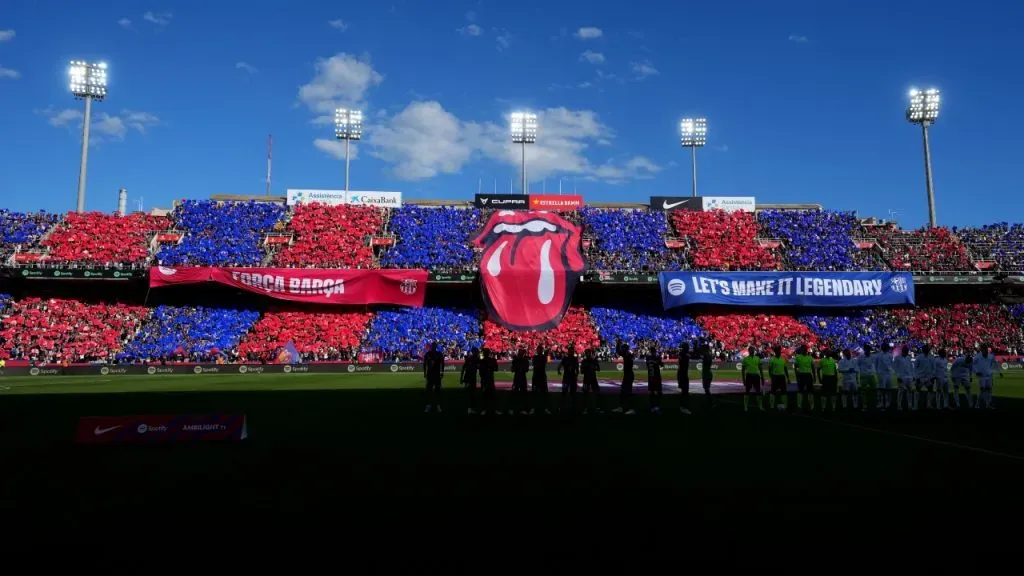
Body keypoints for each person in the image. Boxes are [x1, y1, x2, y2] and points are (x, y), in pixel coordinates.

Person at [614, 343, 636, 415]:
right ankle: (622, 407)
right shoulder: (627, 354)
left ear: (625, 349)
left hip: (628, 375)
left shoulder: (628, 354)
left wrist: (618, 343)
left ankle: (630, 408)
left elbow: (618, 352)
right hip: (627, 375)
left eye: (623, 348)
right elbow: (619, 352)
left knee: (628, 392)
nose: (622, 349)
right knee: (623, 392)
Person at [740, 346, 764, 412]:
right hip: (749, 376)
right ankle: (745, 406)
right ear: (749, 351)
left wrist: (762, 378)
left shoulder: (757, 358)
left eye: (753, 350)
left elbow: (760, 369)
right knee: (747, 392)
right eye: (751, 350)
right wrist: (743, 380)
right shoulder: (745, 359)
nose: (752, 351)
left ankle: (760, 406)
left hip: (756, 376)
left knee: (758, 392)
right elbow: (743, 370)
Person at [423, 342, 445, 413]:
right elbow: (424, 364)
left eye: (434, 346)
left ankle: (438, 405)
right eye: (432, 346)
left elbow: (443, 363)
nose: (433, 347)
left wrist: (442, 372)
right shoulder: (428, 354)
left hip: (437, 374)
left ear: (436, 346)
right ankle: (428, 405)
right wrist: (424, 373)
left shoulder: (439, 354)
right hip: (429, 374)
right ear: (431, 346)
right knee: (429, 390)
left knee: (437, 390)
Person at [558, 345, 580, 413]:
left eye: (572, 351)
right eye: (570, 351)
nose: (571, 352)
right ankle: (563, 407)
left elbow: (577, 367)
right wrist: (558, 370)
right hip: (566, 378)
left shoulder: (575, 359)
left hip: (572, 378)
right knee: (564, 392)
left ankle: (573, 407)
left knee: (573, 393)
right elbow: (560, 365)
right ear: (568, 351)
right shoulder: (565, 358)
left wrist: (577, 373)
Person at [793, 345, 815, 411]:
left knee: (810, 391)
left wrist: (814, 376)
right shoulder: (798, 357)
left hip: (808, 375)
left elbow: (813, 368)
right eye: (803, 349)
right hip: (801, 375)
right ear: (801, 350)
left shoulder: (810, 358)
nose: (804, 350)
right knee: (800, 391)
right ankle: (799, 406)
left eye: (805, 349)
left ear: (806, 350)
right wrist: (797, 375)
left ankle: (811, 405)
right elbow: (796, 367)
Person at [479, 347, 500, 415]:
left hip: (489, 380)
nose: (485, 353)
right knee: (485, 395)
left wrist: (490, 366)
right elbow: (480, 371)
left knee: (492, 396)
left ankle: (493, 409)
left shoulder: (492, 360)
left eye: (486, 352)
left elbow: (496, 369)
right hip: (485, 380)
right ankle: (485, 409)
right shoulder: (482, 360)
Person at [581, 348, 602, 414]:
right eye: (586, 353)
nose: (587, 354)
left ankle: (598, 408)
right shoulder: (584, 361)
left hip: (593, 378)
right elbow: (581, 371)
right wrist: (586, 368)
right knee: (585, 394)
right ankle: (585, 408)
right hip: (586, 379)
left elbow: (598, 369)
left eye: (588, 352)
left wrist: (593, 367)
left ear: (590, 353)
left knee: (597, 393)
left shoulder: (594, 360)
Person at [510, 347, 530, 415]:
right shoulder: (518, 360)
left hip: (520, 377)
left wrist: (518, 368)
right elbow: (512, 369)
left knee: (520, 393)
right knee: (520, 393)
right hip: (520, 377)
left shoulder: (520, 360)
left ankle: (519, 408)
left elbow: (512, 370)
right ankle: (518, 408)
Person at [768, 346, 789, 411]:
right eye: (778, 352)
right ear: (775, 352)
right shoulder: (772, 359)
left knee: (784, 392)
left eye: (779, 352)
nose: (779, 353)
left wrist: (788, 378)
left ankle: (785, 406)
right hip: (775, 376)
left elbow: (785, 369)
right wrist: (771, 376)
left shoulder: (783, 359)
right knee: (773, 391)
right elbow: (769, 369)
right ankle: (771, 406)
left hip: (782, 377)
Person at [531, 345, 551, 415]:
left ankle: (545, 408)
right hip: (536, 376)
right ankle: (533, 408)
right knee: (534, 393)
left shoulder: (544, 357)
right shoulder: (535, 357)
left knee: (544, 393)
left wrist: (547, 354)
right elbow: (535, 364)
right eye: (538, 349)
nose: (539, 350)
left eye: (540, 349)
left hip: (542, 376)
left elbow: (548, 361)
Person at [893, 346, 915, 411]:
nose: (906, 352)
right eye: (905, 351)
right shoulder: (897, 358)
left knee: (909, 391)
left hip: (909, 377)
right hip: (901, 377)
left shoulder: (908, 358)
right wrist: (898, 376)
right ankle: (899, 405)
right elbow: (895, 368)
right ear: (903, 351)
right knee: (900, 392)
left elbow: (911, 368)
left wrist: (913, 376)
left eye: (907, 351)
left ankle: (910, 405)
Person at [461, 346, 480, 415]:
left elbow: (463, 369)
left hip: (468, 378)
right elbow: (464, 368)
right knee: (471, 394)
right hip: (470, 378)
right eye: (477, 351)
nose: (478, 353)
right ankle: (469, 408)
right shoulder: (474, 359)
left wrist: (461, 378)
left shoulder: (471, 359)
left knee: (470, 393)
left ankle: (469, 408)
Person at [914, 344, 934, 410]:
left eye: (928, 349)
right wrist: (916, 377)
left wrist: (932, 377)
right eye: (926, 349)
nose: (927, 350)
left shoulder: (931, 357)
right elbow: (915, 368)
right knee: (917, 391)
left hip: (928, 377)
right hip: (920, 377)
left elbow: (933, 368)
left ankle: (929, 404)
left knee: (930, 390)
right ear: (924, 350)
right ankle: (916, 405)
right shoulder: (919, 357)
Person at [857, 345, 877, 412]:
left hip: (871, 375)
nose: (868, 351)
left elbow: (875, 364)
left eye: (869, 350)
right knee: (863, 392)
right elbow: (857, 365)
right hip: (864, 376)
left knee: (874, 390)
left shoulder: (873, 357)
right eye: (867, 350)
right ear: (865, 350)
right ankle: (864, 405)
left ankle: (874, 403)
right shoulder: (860, 357)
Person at [646, 346, 664, 414]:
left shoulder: (648, 358)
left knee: (651, 392)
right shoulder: (657, 357)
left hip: (650, 377)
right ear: (655, 351)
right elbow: (662, 365)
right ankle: (657, 407)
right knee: (659, 392)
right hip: (656, 377)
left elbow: (647, 365)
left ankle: (652, 407)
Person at [677, 343, 692, 415]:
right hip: (683, 374)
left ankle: (682, 406)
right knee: (685, 391)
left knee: (684, 390)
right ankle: (683, 407)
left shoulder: (682, 354)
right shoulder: (684, 355)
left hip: (682, 374)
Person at [700, 344, 714, 409]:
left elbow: (707, 363)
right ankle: (709, 403)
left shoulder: (706, 355)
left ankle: (710, 403)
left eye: (703, 349)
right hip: (707, 373)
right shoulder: (708, 355)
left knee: (706, 389)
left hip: (706, 374)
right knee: (706, 389)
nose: (702, 350)